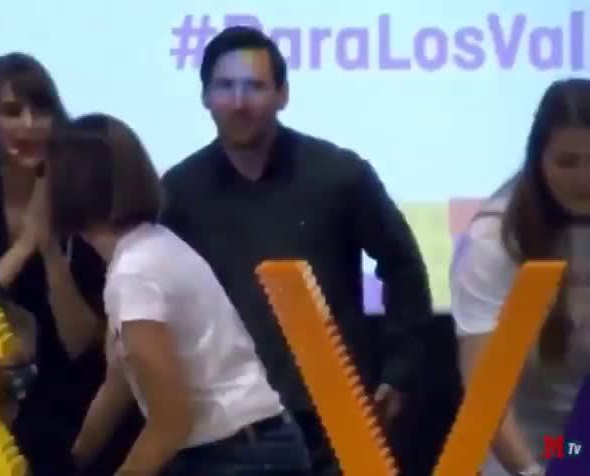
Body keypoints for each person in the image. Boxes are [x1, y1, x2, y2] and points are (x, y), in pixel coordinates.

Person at [159, 26, 434, 475]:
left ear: (283, 94)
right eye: (225, 86)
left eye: (255, 86)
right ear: (205, 97)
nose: (239, 102)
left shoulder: (339, 175)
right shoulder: (178, 193)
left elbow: (402, 265)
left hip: (335, 422)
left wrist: (399, 369)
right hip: (226, 431)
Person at [0, 53, 141, 476]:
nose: (29, 125)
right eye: (11, 111)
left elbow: (81, 343)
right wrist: (25, 244)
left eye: (41, 111)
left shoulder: (84, 199)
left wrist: (50, 249)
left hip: (74, 399)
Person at [56, 113, 312, 475]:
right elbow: (120, 379)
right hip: (255, 446)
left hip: (236, 457)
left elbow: (171, 423)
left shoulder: (134, 274)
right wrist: (72, 461)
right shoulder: (155, 246)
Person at [451, 78, 590, 476]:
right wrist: (528, 471)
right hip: (531, 441)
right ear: (538, 160)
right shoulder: (494, 239)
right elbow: (485, 393)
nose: (584, 179)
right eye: (567, 162)